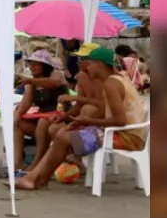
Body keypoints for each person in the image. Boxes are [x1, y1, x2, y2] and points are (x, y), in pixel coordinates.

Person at [9, 47, 146, 191]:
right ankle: (35, 178)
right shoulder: (118, 79)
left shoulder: (111, 84)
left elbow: (120, 121)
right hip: (123, 133)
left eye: (90, 63)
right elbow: (104, 111)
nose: (87, 66)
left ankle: (38, 180)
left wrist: (86, 122)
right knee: (63, 135)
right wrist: (77, 123)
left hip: (125, 137)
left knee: (62, 137)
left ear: (100, 64)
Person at [12, 50, 69, 174]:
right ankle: (17, 162)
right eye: (31, 64)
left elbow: (54, 84)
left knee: (43, 123)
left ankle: (36, 164)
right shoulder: (32, 82)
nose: (32, 67)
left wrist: (31, 81)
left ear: (45, 66)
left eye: (36, 64)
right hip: (43, 117)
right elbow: (26, 103)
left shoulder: (56, 74)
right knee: (18, 123)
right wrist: (17, 115)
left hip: (62, 116)